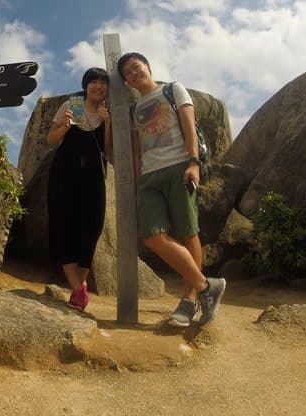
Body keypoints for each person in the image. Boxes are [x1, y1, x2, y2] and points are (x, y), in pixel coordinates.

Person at [117, 52, 225, 328]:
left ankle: (189, 300)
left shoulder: (172, 89)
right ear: (126, 81)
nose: (133, 74)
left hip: (179, 166)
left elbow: (189, 127)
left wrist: (194, 163)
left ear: (148, 66)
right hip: (149, 176)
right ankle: (206, 287)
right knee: (152, 236)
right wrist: (138, 177)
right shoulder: (133, 109)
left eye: (136, 67)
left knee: (188, 232)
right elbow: (138, 147)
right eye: (127, 73)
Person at [46, 67, 113, 311]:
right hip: (64, 176)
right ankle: (78, 289)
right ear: (86, 85)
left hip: (93, 178)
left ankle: (80, 286)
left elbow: (108, 151)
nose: (98, 86)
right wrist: (64, 127)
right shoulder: (72, 105)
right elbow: (51, 140)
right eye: (94, 81)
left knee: (91, 227)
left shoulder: (107, 113)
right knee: (63, 226)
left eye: (103, 82)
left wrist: (108, 123)